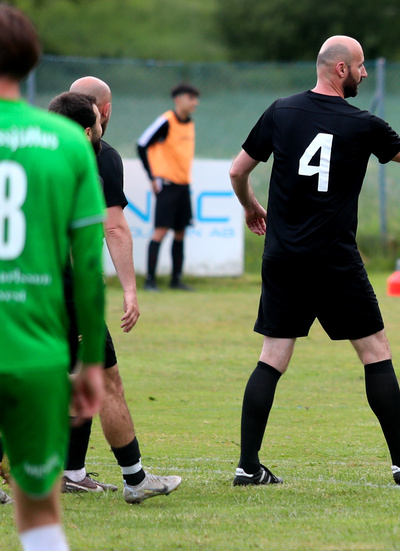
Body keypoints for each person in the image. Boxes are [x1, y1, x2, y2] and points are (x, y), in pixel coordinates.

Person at [228, 35, 400, 486]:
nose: (364, 73)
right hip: (333, 259)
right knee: (375, 351)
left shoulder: (280, 111)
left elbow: (238, 171)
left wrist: (251, 206)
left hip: (283, 256)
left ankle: (247, 465)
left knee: (272, 357)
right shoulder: (362, 123)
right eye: (360, 66)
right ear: (340, 69)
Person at [0, 6, 106, 549]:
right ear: (31, 59)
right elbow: (88, 267)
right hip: (36, 353)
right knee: (39, 512)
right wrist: (89, 362)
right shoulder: (67, 143)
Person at [57, 78, 183, 504]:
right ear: (100, 116)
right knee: (107, 381)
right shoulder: (100, 156)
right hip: (67, 287)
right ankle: (136, 479)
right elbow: (113, 226)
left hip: (21, 282)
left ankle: (71, 471)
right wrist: (131, 290)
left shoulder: (28, 148)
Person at [136, 83, 200, 291]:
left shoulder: (189, 123)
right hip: (167, 186)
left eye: (196, 98)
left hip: (183, 185)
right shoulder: (166, 121)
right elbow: (142, 144)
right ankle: (150, 281)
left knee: (180, 232)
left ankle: (176, 280)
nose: (195, 102)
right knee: (160, 231)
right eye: (191, 97)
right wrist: (152, 176)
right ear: (178, 99)